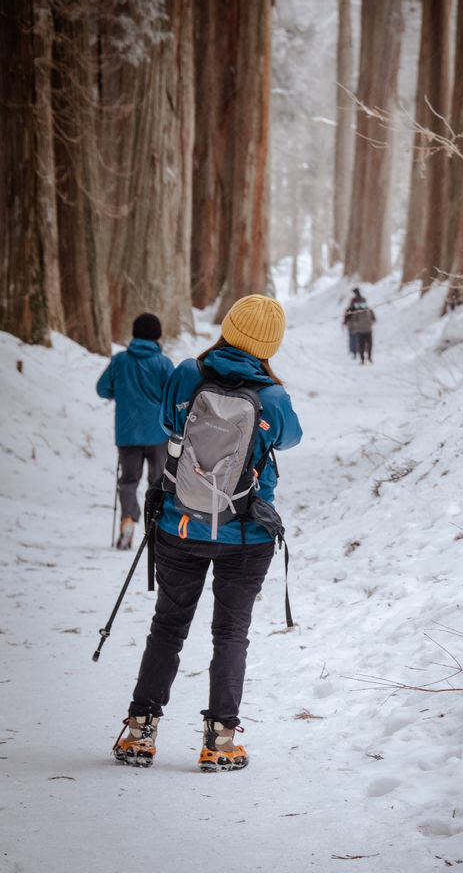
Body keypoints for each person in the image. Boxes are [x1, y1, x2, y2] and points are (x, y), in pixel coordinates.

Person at [112, 294, 303, 772]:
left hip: (181, 524)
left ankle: (139, 732)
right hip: (246, 535)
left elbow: (165, 423)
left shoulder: (185, 374)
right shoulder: (274, 398)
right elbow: (291, 438)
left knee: (168, 627)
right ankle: (219, 741)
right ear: (270, 344)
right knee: (231, 633)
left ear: (228, 327)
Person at [97, 313, 174, 550]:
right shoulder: (164, 363)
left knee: (128, 481)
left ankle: (128, 519)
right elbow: (172, 396)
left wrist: (120, 394)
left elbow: (102, 389)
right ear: (158, 336)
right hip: (158, 434)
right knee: (158, 480)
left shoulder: (120, 360)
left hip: (128, 433)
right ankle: (155, 527)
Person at [344, 289, 376, 364]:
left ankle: (367, 357)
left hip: (367, 329)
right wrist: (355, 325)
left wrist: (369, 323)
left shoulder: (367, 310)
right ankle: (359, 357)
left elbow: (373, 318)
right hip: (359, 330)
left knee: (367, 344)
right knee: (358, 343)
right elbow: (352, 318)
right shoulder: (356, 309)